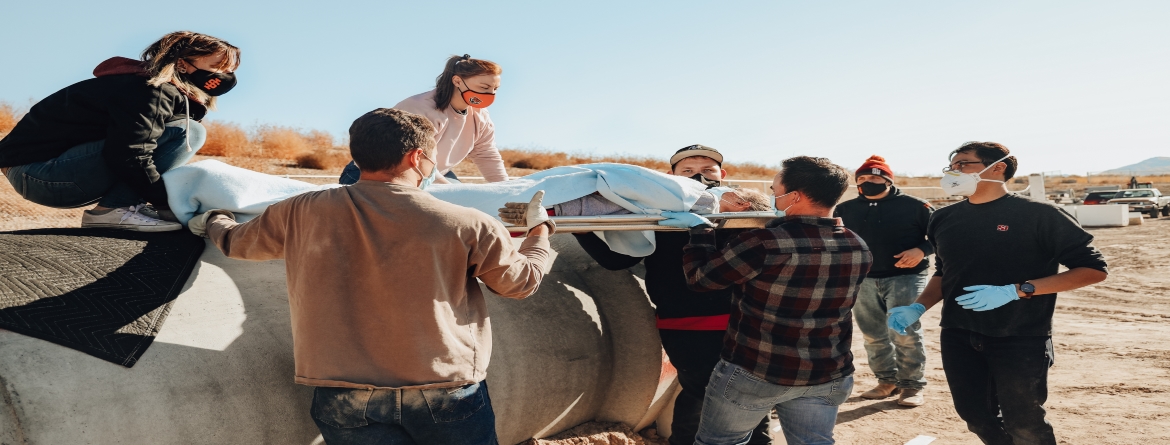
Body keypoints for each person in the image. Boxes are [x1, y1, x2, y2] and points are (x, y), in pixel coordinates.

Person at [189, 108, 554, 444]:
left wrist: (213, 219)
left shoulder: (301, 211)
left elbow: (237, 242)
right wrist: (539, 232)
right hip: (444, 388)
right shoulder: (468, 223)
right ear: (417, 158)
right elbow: (519, 284)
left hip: (342, 392)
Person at [888, 142, 1108, 445]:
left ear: (998, 167)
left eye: (963, 164)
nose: (955, 171)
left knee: (1025, 421)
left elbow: (1093, 270)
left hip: (1020, 335)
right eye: (952, 166)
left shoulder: (1040, 215)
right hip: (958, 333)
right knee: (975, 416)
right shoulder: (942, 218)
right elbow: (943, 271)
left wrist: (1017, 291)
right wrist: (918, 307)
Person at [569, 145, 773, 445]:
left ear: (722, 174)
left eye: (707, 170)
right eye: (687, 171)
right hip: (686, 323)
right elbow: (618, 260)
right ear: (671, 176)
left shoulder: (741, 208)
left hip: (746, 320)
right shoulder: (656, 211)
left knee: (752, 387)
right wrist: (582, 229)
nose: (699, 177)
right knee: (701, 389)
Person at [675, 156, 871, 445]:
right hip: (828, 373)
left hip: (756, 372)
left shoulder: (764, 242)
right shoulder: (857, 244)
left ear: (795, 196)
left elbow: (700, 279)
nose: (772, 196)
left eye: (775, 189)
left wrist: (700, 233)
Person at [0, 31, 240, 231]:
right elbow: (129, 153)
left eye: (229, 70)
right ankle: (113, 210)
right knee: (188, 133)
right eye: (218, 67)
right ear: (182, 64)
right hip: (38, 175)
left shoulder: (149, 87)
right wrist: (167, 205)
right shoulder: (152, 91)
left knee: (181, 130)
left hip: (39, 172)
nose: (225, 77)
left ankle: (121, 205)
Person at [834, 155, 934, 407]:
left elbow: (942, 236)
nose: (869, 181)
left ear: (888, 180)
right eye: (863, 178)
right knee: (872, 335)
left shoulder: (917, 206)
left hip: (906, 277)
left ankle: (911, 386)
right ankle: (887, 381)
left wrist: (921, 250)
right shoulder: (844, 210)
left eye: (876, 177)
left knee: (904, 331)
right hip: (863, 279)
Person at [340, 54, 506, 185]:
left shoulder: (480, 116)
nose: (491, 94)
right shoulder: (420, 108)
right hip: (376, 175)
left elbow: (485, 153)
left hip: (434, 173)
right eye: (484, 87)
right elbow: (415, 159)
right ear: (457, 81)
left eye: (495, 89)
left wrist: (506, 190)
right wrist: (451, 193)